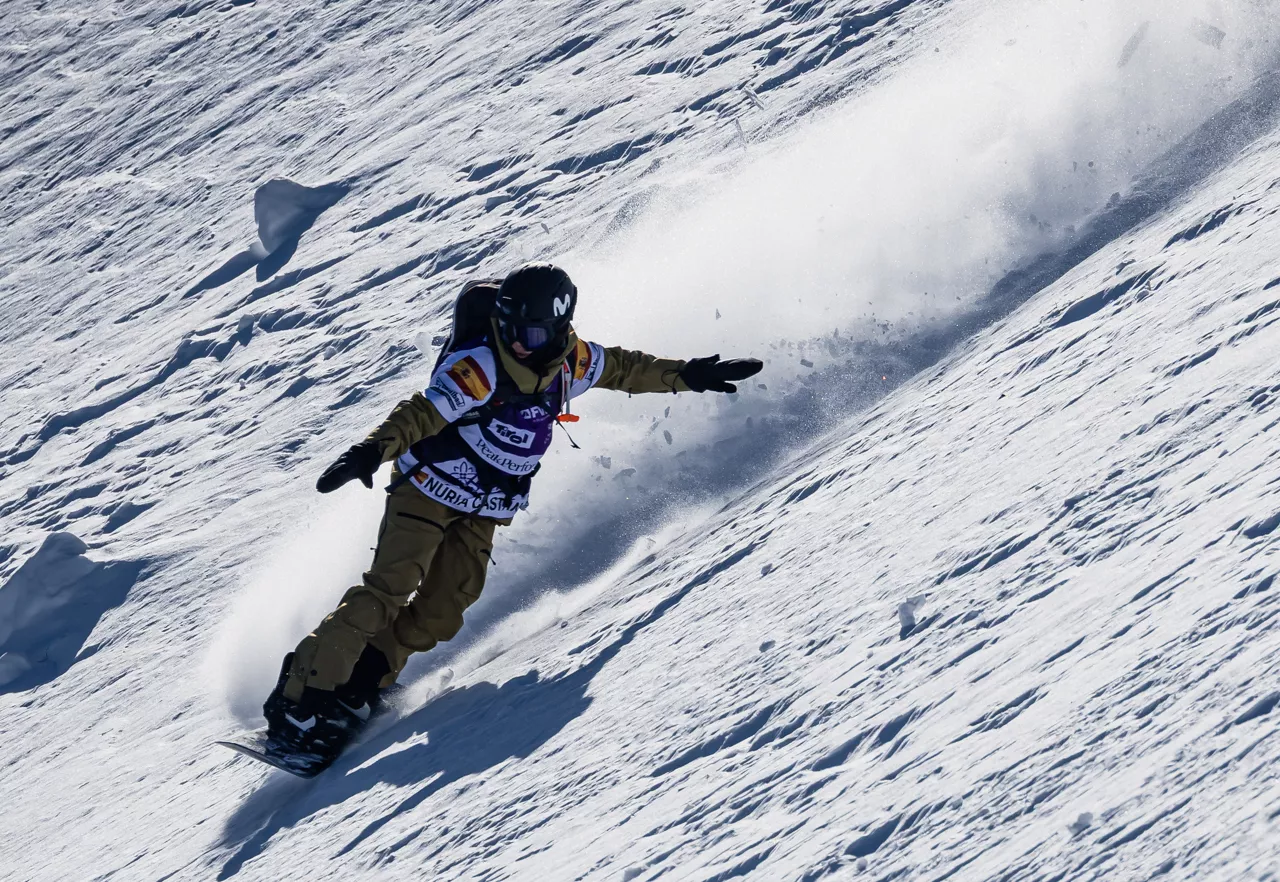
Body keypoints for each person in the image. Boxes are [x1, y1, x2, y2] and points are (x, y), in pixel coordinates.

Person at [261, 262, 762, 768]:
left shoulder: (572, 361)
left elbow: (626, 369)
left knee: (447, 606)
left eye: (529, 333)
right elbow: (422, 412)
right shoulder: (480, 366)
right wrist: (372, 451)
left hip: (483, 504)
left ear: (559, 329)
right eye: (508, 328)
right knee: (390, 589)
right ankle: (301, 699)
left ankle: (362, 683)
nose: (517, 342)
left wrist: (689, 375)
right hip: (430, 487)